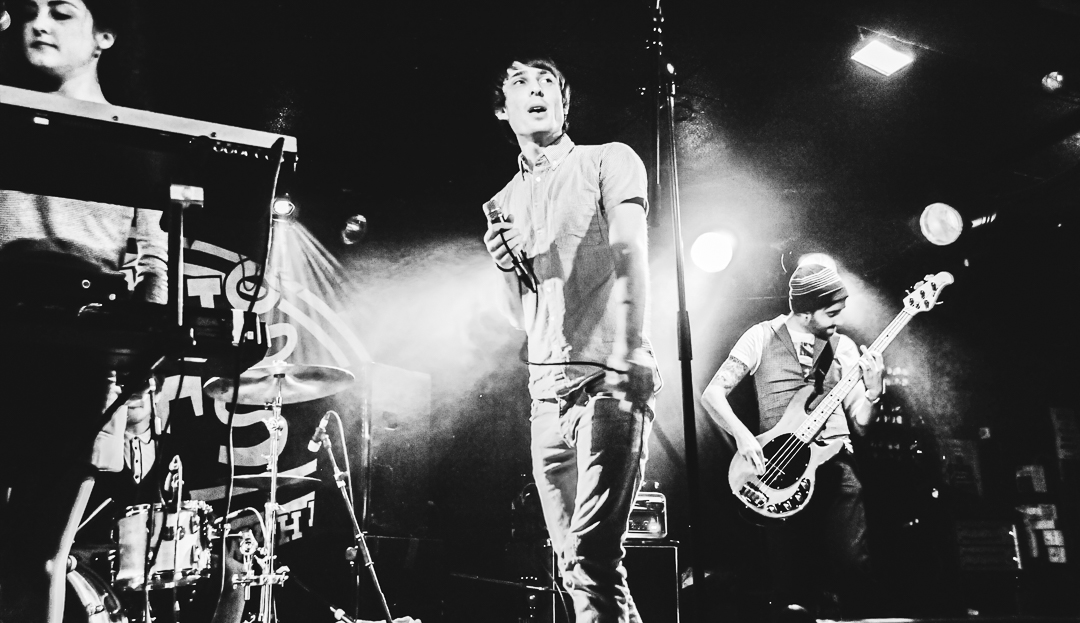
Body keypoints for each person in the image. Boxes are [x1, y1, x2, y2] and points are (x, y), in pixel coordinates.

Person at [0, 1, 167, 621]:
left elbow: (154, 265)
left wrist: (133, 391)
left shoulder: (134, 138)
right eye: (28, 10)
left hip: (83, 360)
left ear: (104, 35)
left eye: (61, 12)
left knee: (41, 554)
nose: (37, 24)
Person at [482, 57, 659, 622]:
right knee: (575, 563)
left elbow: (632, 254)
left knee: (590, 554)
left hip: (606, 379)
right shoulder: (501, 202)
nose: (535, 91)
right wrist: (504, 266)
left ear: (564, 103)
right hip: (545, 396)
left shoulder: (608, 159)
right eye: (520, 85)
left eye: (547, 85)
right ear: (502, 110)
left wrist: (630, 347)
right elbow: (519, 316)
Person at [700, 263, 885, 621]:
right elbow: (713, 394)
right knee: (791, 586)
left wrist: (874, 395)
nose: (838, 319)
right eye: (830, 312)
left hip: (835, 462)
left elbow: (860, 425)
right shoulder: (761, 336)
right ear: (803, 310)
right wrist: (742, 436)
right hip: (781, 471)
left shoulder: (842, 346)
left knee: (853, 565)